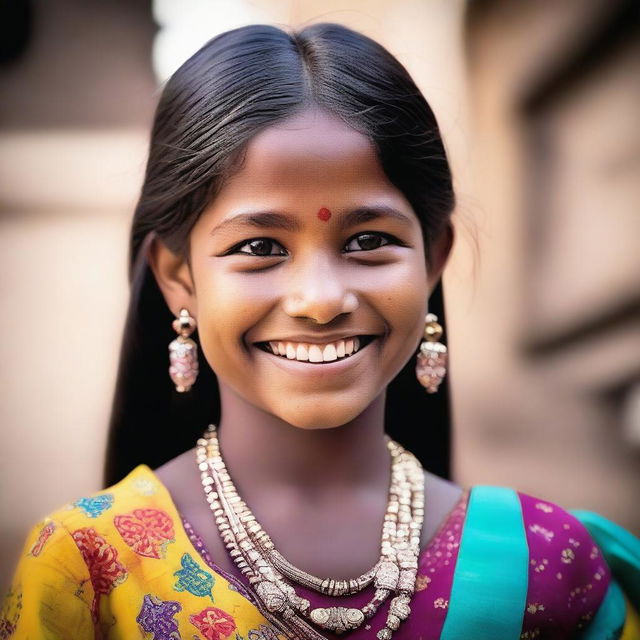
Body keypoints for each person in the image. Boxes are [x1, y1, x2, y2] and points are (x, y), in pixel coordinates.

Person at [2, 23, 638, 640]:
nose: (321, 299)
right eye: (259, 246)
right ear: (179, 277)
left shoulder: (548, 566)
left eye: (369, 241)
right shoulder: (90, 570)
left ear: (434, 258)